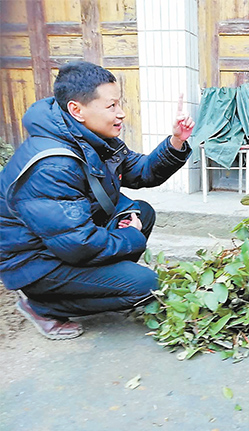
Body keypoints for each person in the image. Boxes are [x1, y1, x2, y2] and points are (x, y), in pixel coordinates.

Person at [0, 61, 195, 339]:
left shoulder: (91, 138)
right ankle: (41, 305)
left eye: (119, 104)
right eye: (111, 106)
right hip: (35, 263)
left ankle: (109, 284)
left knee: (142, 212)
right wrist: (132, 238)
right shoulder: (53, 165)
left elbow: (142, 173)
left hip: (62, 244)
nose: (121, 113)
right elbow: (78, 245)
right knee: (148, 285)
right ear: (76, 110)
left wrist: (176, 141)